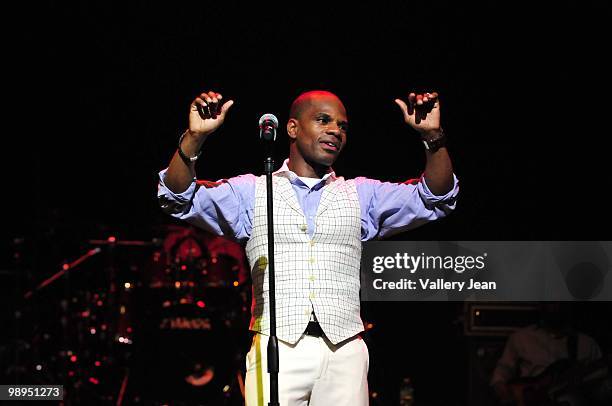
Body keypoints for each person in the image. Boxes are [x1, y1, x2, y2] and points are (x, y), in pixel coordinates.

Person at [157, 88, 459, 405]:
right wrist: (194, 137)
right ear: (292, 128)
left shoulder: (361, 194)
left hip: (344, 350)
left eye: (342, 126)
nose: (335, 131)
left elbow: (435, 198)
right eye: (323, 120)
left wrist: (433, 137)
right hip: (278, 347)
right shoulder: (253, 191)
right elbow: (177, 197)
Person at [491, 303, 608, 406]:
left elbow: (602, 390)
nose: (556, 306)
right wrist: (505, 393)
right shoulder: (521, 338)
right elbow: (501, 374)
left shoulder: (588, 344)